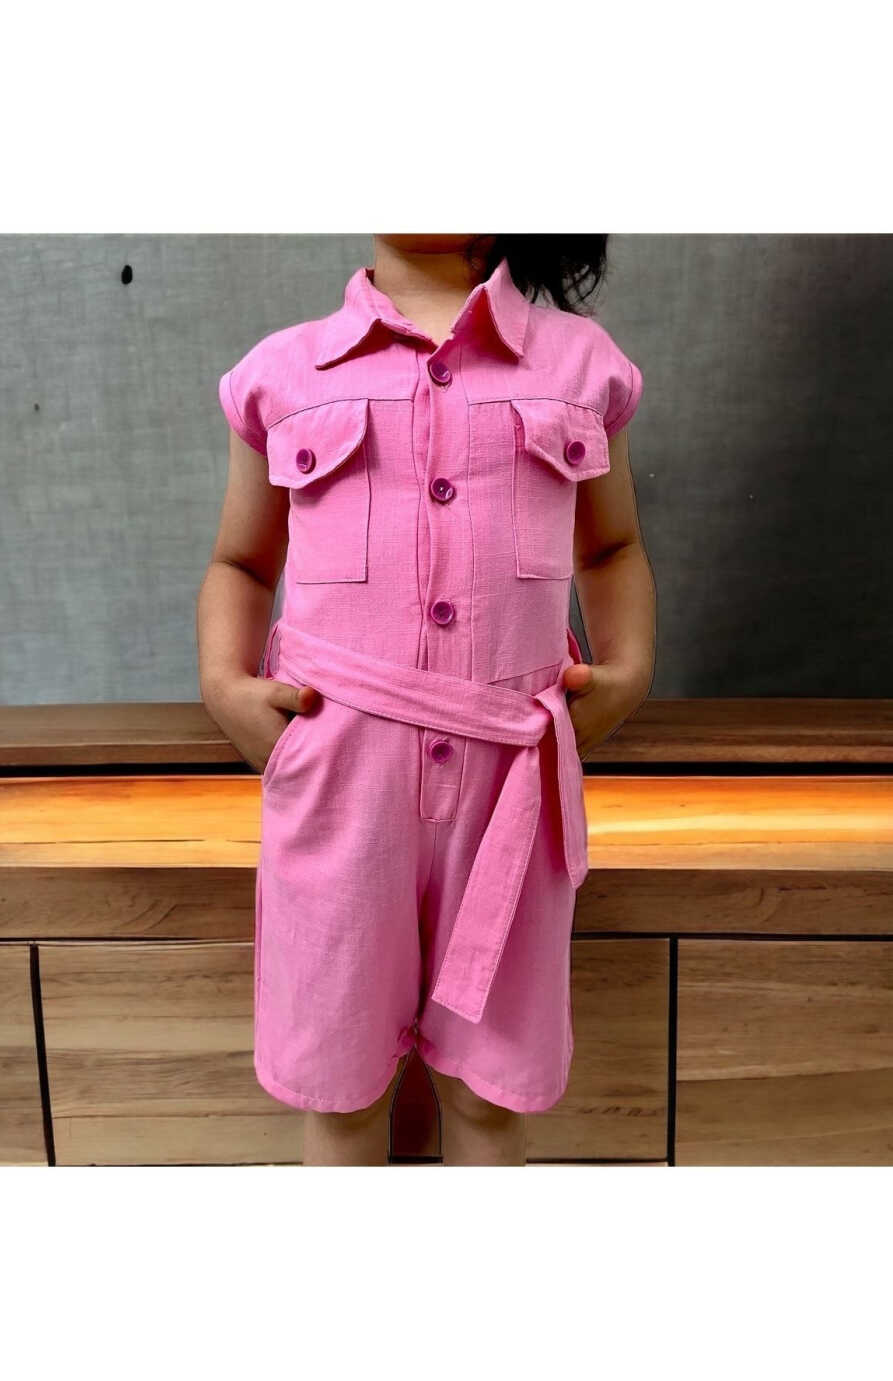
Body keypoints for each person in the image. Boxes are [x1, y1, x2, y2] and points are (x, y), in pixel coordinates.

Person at [197, 234, 656, 1166]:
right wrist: (225, 684)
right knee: (340, 1095)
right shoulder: (282, 372)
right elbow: (241, 562)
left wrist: (629, 669)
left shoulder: (582, 366)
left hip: (508, 786)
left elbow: (611, 549)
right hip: (339, 782)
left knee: (487, 1095)